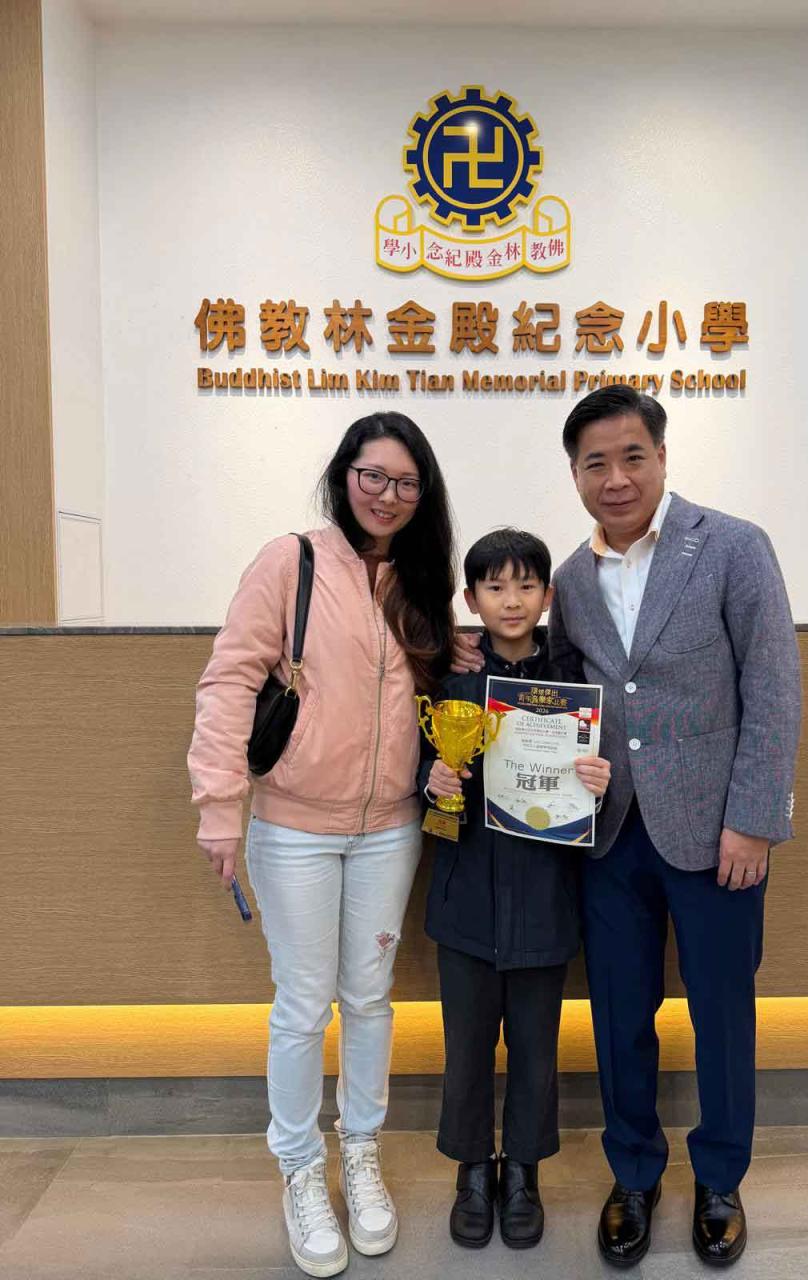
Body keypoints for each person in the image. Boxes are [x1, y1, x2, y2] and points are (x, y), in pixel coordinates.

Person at [455, 387, 801, 1268]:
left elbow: (773, 688)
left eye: (631, 457)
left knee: (723, 1011)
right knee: (618, 1015)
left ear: (661, 456)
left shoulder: (733, 547)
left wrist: (753, 820)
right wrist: (469, 653)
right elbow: (555, 683)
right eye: (595, 464)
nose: (616, 478)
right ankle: (634, 1174)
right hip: (606, 836)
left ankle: (720, 1179)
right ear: (574, 474)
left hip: (717, 833)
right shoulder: (568, 579)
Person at [188, 412, 455, 1278]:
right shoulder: (290, 561)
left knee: (370, 999)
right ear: (345, 476)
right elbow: (230, 679)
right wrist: (219, 806)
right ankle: (301, 1169)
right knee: (303, 1005)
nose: (388, 495)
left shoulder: (420, 579)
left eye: (406, 482)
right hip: (295, 827)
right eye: (374, 475)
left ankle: (361, 1152)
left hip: (390, 830)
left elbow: (437, 685)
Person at [422, 529, 611, 1252]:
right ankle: (473, 1170)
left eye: (526, 586)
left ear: (548, 596)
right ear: (470, 600)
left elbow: (595, 796)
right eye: (495, 587)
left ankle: (524, 1172)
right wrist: (434, 783)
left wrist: (596, 783)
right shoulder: (449, 683)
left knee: (536, 1047)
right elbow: (420, 798)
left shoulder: (573, 685)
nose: (511, 600)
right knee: (466, 1047)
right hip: (466, 900)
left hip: (545, 902)